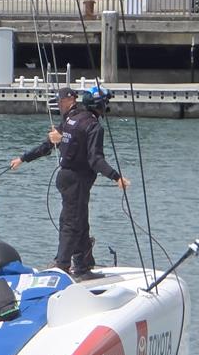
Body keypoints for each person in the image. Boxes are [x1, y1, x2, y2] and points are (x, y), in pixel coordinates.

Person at [10, 86, 130, 280]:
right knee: (71, 222)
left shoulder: (71, 119)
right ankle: (62, 266)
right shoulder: (93, 126)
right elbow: (95, 160)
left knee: (79, 221)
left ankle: (83, 265)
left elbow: (47, 146)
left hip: (65, 178)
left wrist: (23, 158)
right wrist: (116, 177)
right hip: (77, 180)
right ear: (100, 106)